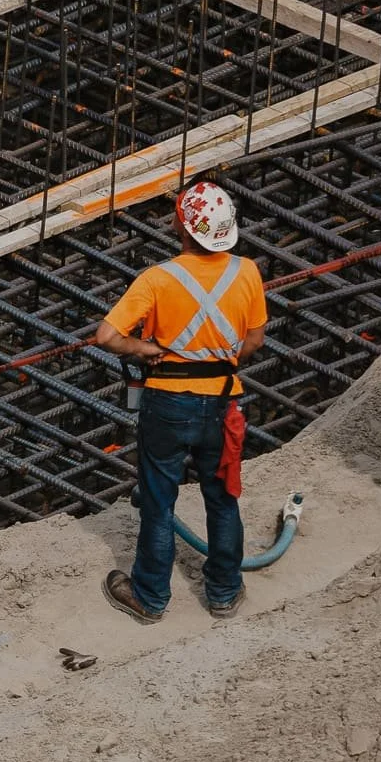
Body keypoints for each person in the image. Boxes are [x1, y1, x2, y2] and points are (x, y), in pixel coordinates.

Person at [92, 181, 267, 622]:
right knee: (222, 496)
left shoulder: (158, 278)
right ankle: (224, 592)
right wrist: (220, 359)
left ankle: (150, 598)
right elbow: (253, 341)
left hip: (168, 401)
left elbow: (107, 336)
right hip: (224, 402)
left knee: (158, 499)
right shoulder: (246, 271)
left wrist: (142, 349)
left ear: (181, 226)